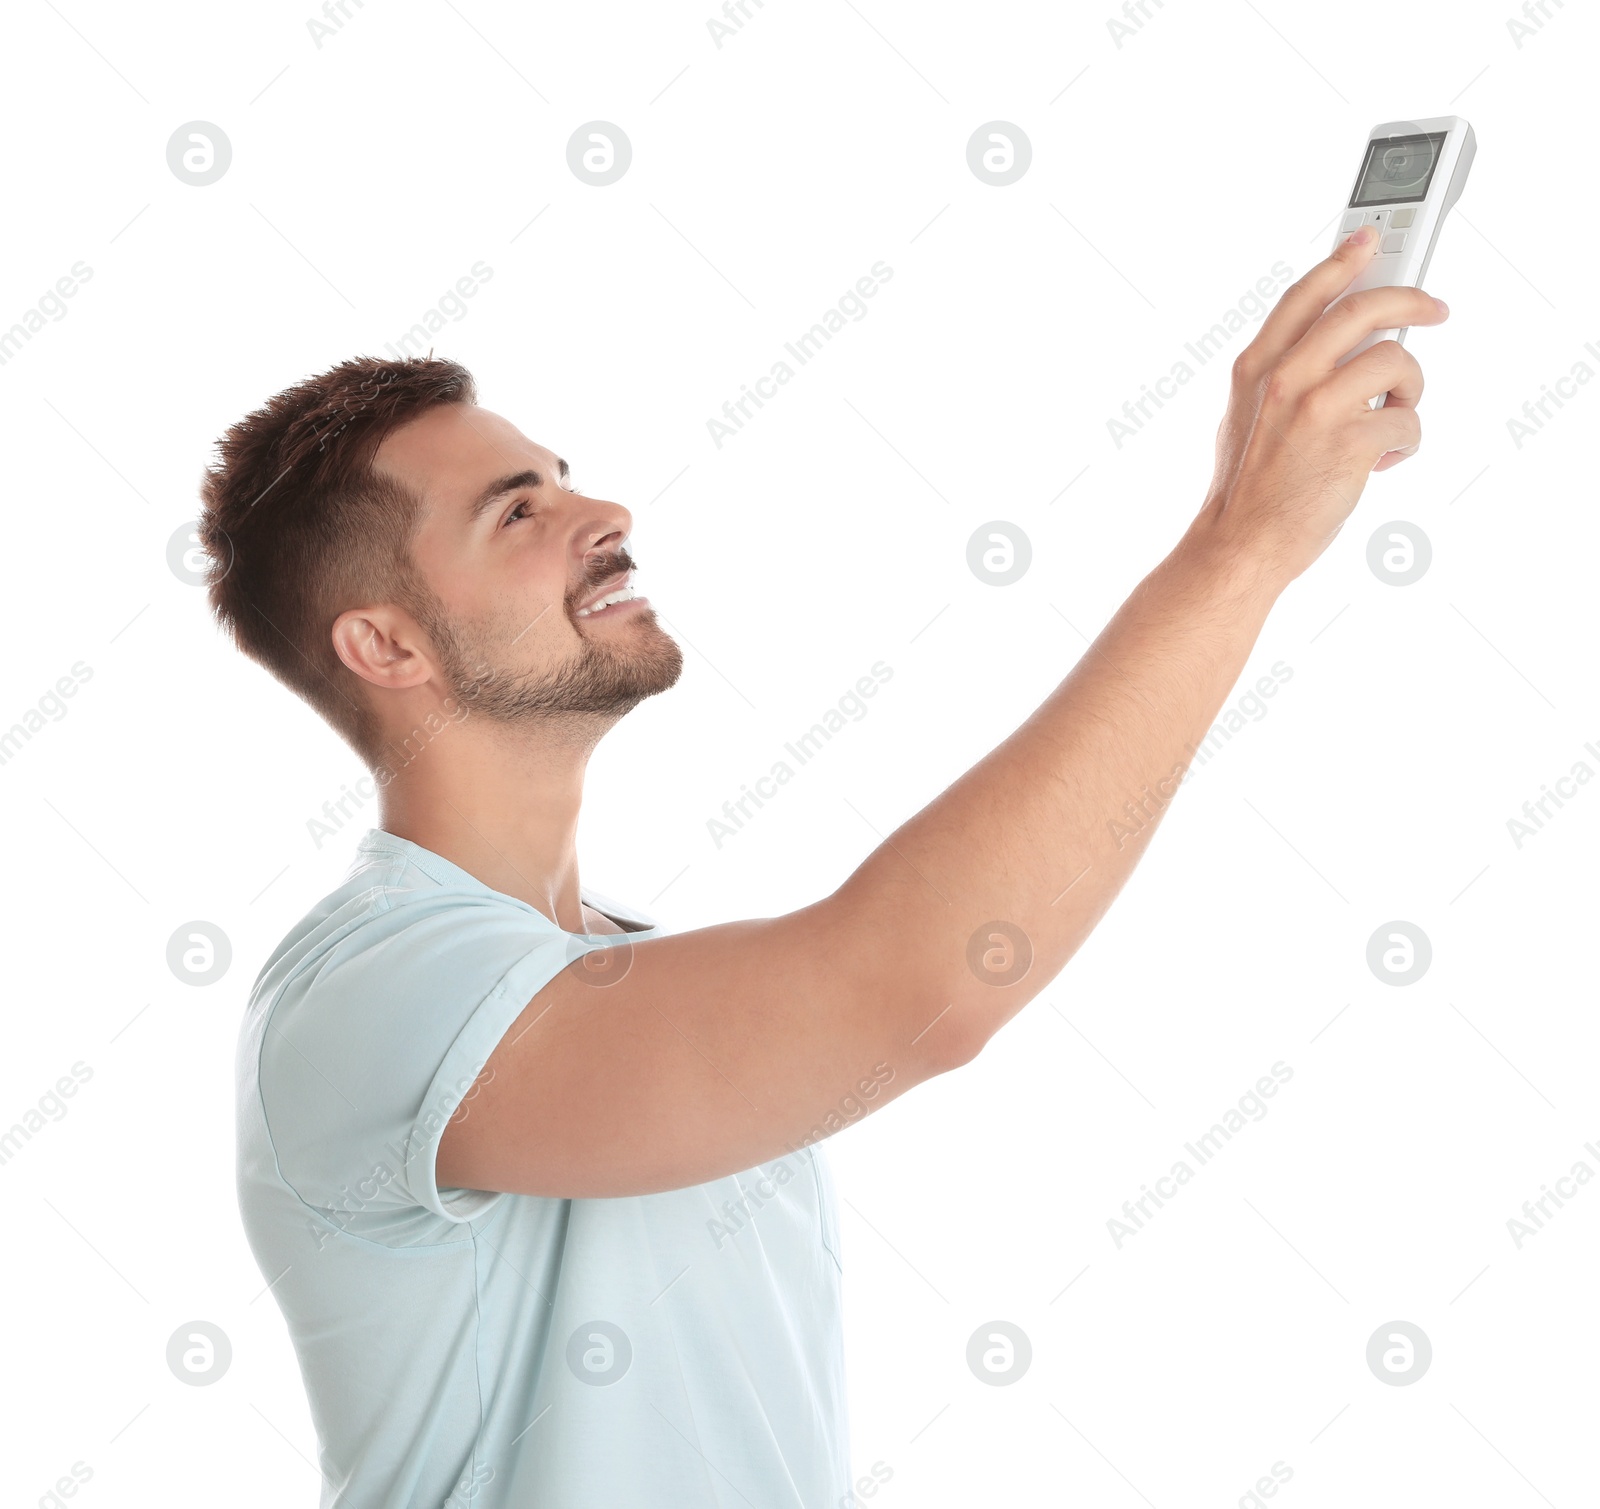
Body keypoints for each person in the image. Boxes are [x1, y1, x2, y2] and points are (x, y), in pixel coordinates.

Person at [201, 222, 1443, 1507]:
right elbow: (917, 985)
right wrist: (1240, 545)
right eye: (519, 509)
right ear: (387, 647)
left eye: (561, 476)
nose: (604, 511)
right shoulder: (367, 991)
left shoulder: (611, 959)